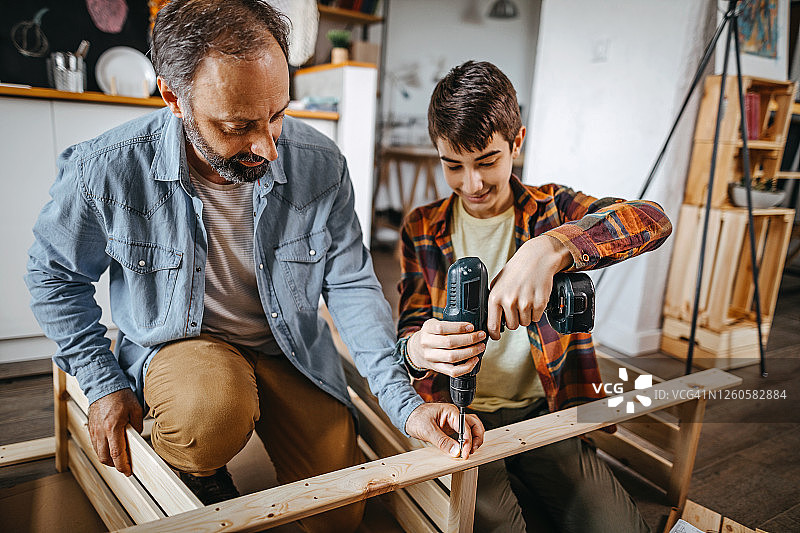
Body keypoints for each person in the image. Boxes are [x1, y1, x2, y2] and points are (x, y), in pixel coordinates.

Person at [25, 2, 482, 531]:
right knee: (209, 417)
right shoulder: (106, 169)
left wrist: (406, 405)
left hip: (289, 351)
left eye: (278, 114)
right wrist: (103, 382)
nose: (267, 146)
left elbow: (353, 284)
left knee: (338, 516)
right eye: (238, 125)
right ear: (174, 98)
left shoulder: (321, 164)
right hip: (185, 347)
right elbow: (53, 275)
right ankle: (201, 468)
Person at [396, 60, 672, 533]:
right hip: (460, 416)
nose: (472, 184)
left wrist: (553, 248)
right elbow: (408, 329)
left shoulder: (553, 209)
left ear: (517, 142)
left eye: (487, 161)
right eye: (452, 165)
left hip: (548, 408)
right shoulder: (422, 226)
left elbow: (652, 219)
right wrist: (419, 350)